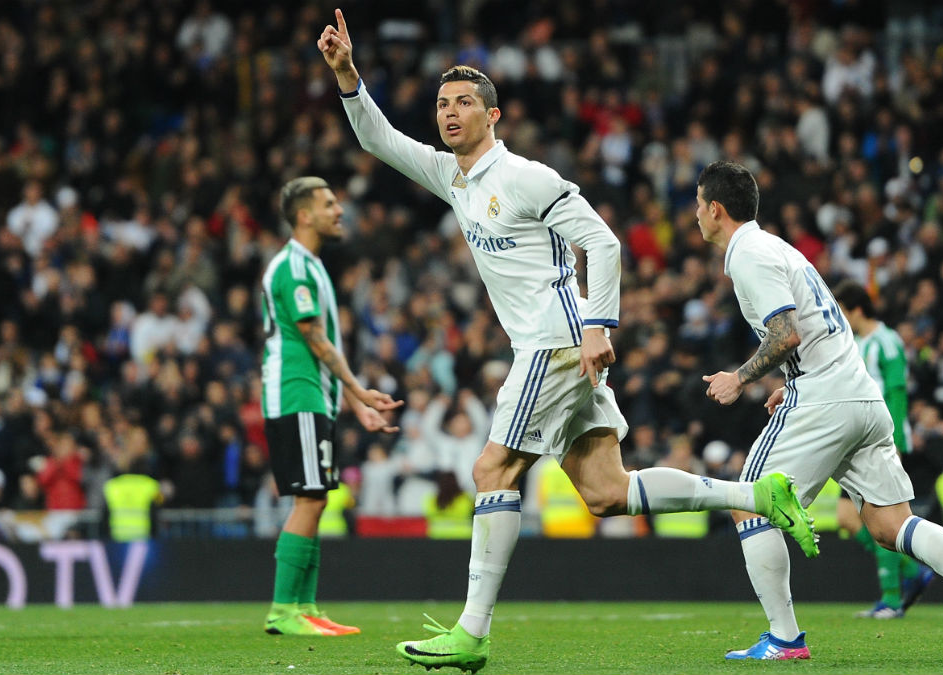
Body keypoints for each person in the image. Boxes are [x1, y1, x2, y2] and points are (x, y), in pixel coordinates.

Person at [318, 12, 814, 672]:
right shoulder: (454, 177)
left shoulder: (525, 176)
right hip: (556, 346)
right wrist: (348, 74)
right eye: (442, 104)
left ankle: (472, 631)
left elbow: (602, 241)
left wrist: (597, 327)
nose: (450, 112)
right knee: (608, 492)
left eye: (465, 102)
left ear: (493, 115)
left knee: (490, 470)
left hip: (555, 343)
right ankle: (755, 495)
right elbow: (380, 140)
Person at [695, 160, 943, 662]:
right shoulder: (780, 249)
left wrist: (740, 377)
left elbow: (785, 332)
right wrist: (789, 380)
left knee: (749, 502)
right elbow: (810, 332)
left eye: (699, 204)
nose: (695, 214)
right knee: (891, 525)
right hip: (859, 393)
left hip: (826, 395)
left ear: (716, 209)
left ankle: (785, 639)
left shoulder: (749, 254)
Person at [260, 176, 403, 637]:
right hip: (296, 392)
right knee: (309, 497)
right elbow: (315, 339)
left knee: (317, 498)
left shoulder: (312, 266)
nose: (339, 210)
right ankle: (285, 610)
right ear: (304, 215)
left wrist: (349, 404)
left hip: (314, 395)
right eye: (329, 204)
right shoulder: (294, 267)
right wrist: (360, 391)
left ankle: (306, 607)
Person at [833, 279, 934, 618]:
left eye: (842, 311)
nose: (839, 318)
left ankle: (892, 599)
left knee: (882, 519)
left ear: (856, 309)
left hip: (881, 441)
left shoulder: (887, 342)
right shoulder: (855, 343)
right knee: (848, 517)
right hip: (856, 441)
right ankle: (910, 572)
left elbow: (897, 393)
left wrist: (896, 443)